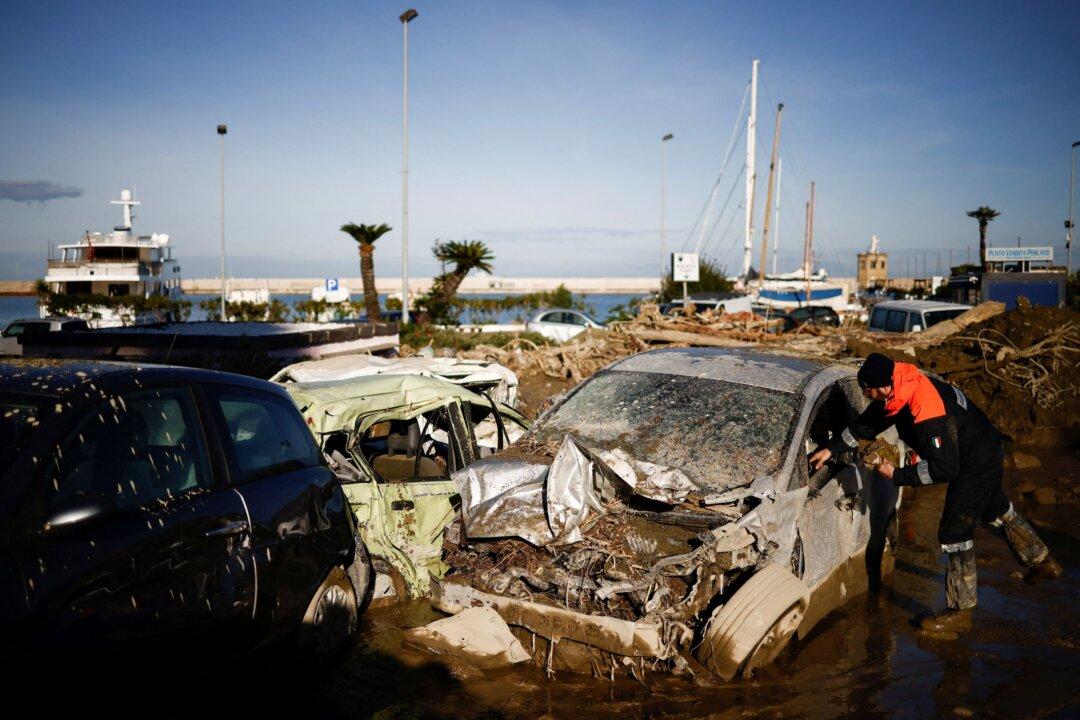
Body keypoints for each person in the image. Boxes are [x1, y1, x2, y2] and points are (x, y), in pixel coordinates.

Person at [809, 353, 1062, 634]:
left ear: (880, 387)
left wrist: (898, 475)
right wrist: (831, 449)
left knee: (955, 533)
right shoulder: (900, 387)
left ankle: (960, 612)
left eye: (866, 390)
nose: (865, 395)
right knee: (994, 509)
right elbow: (866, 424)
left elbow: (944, 469)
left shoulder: (924, 409)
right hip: (981, 443)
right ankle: (1041, 560)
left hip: (973, 461)